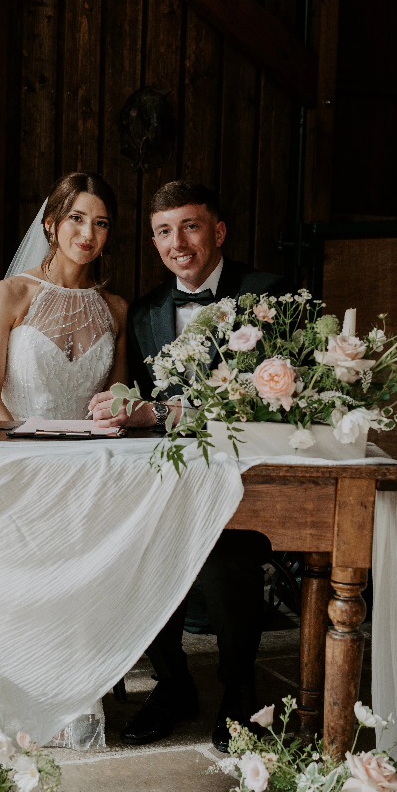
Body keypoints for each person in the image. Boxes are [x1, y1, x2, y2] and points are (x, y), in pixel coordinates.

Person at [88, 180, 292, 751]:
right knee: (129, 548)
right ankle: (173, 683)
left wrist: (157, 411)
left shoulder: (267, 293)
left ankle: (239, 688)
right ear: (153, 242)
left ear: (218, 231)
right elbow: (141, 396)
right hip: (168, 477)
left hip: (245, 479)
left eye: (191, 226)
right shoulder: (149, 311)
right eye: (162, 232)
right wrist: (121, 403)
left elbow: (268, 397)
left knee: (227, 555)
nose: (177, 242)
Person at [0, 172, 128, 421]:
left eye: (101, 223)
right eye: (76, 218)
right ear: (50, 223)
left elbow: (113, 405)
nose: (88, 234)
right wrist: (24, 450)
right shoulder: (7, 295)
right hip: (14, 446)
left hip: (87, 452)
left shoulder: (117, 309)